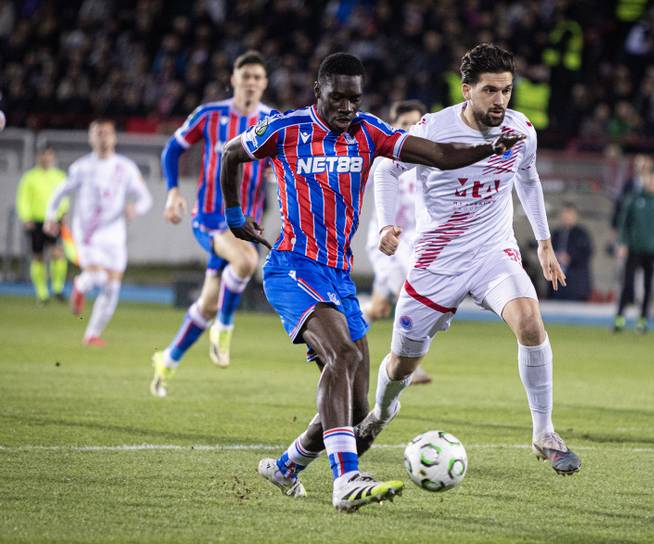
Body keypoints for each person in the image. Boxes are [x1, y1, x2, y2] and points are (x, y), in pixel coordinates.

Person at [220, 52, 524, 512]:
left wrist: (490, 147)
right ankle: (346, 482)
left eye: (354, 98)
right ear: (317, 91)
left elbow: (439, 156)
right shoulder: (284, 130)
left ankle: (287, 465)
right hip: (292, 268)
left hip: (337, 277)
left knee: (358, 412)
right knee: (339, 356)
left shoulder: (369, 132)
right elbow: (231, 154)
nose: (346, 107)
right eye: (337, 97)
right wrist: (235, 216)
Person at [368, 43, 581, 477]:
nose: (500, 100)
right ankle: (380, 412)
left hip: (492, 252)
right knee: (402, 362)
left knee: (530, 322)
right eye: (489, 91)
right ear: (467, 91)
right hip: (437, 260)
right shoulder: (434, 129)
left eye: (506, 90)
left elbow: (528, 176)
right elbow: (385, 167)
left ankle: (544, 432)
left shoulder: (522, 130)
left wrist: (543, 242)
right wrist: (386, 225)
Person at [151, 51, 273, 397]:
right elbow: (172, 150)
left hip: (245, 223)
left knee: (207, 302)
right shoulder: (210, 115)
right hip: (208, 217)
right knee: (247, 262)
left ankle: (168, 359)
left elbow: (284, 159)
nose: (250, 82)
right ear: (234, 79)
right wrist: (173, 192)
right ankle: (225, 326)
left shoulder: (271, 120)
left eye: (257, 78)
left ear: (264, 84)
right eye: (245, 76)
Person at [43, 119, 153, 345]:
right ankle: (80, 285)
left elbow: (145, 198)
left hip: (115, 234)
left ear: (114, 137)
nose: (103, 137)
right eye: (98, 133)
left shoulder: (125, 167)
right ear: (91, 138)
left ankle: (92, 334)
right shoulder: (82, 167)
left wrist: (135, 208)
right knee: (97, 276)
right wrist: (50, 217)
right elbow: (59, 193)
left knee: (112, 286)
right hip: (87, 233)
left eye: (107, 133)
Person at [361, 100, 431, 384]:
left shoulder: (427, 161)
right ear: (393, 127)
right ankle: (401, 363)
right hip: (387, 244)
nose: (411, 130)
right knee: (412, 296)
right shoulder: (382, 160)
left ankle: (345, 329)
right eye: (404, 125)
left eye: (416, 124)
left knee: (379, 308)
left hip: (414, 245)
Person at [613, 168, 654, 334]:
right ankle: (619, 317)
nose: (653, 183)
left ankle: (643, 319)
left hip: (652, 250)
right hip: (634, 249)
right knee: (628, 284)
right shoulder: (634, 199)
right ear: (645, 180)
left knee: (648, 286)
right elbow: (624, 223)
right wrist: (622, 243)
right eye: (650, 180)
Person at [16, 144, 68, 304]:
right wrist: (26, 218)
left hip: (54, 220)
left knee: (57, 253)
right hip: (36, 221)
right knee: (38, 256)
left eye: (49, 155)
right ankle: (42, 293)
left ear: (53, 157)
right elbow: (23, 198)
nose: (46, 158)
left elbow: (65, 197)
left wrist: (63, 214)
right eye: (42, 155)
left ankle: (58, 288)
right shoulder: (29, 177)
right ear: (37, 157)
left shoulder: (59, 176)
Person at [548, 202, 593, 301]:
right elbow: (548, 251)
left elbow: (587, 253)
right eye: (565, 214)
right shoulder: (556, 234)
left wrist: (570, 257)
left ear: (575, 216)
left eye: (569, 214)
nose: (567, 217)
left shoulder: (582, 234)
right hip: (557, 285)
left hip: (576, 284)